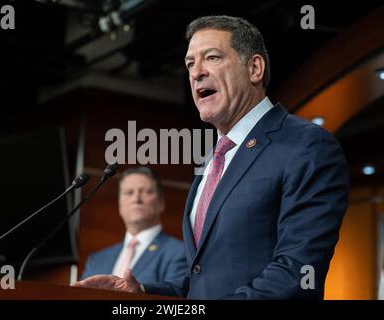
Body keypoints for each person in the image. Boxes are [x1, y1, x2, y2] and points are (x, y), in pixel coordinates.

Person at [74, 15, 350, 299]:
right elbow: (201, 281)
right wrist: (143, 291)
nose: (196, 72)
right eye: (190, 64)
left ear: (255, 68)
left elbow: (296, 273)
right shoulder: (213, 160)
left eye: (212, 58)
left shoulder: (306, 145)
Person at [80, 166, 187, 283]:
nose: (136, 198)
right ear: (120, 205)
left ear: (161, 203)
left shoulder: (179, 253)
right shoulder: (97, 260)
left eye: (146, 191)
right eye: (129, 192)